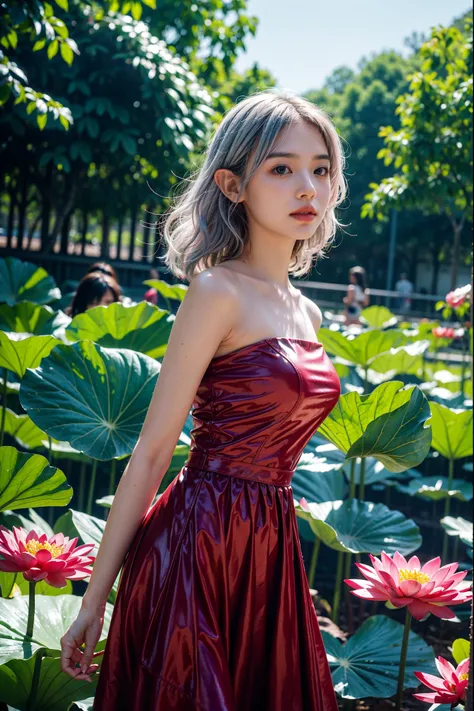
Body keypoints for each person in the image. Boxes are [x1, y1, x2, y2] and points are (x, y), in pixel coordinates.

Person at [60, 91, 346, 711]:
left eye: (320, 169)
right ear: (232, 184)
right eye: (281, 168)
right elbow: (153, 450)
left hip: (270, 544)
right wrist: (93, 600)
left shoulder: (309, 311)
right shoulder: (216, 290)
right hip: (198, 541)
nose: (307, 187)